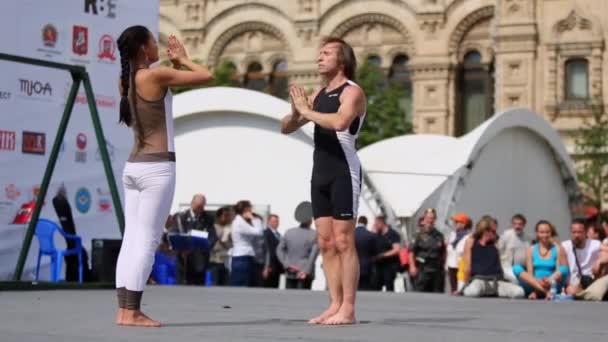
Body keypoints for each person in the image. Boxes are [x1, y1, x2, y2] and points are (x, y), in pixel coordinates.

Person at [114, 26, 212, 327]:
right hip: (157, 167)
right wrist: (183, 59)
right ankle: (132, 311)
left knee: (131, 238)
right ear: (144, 48)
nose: (158, 48)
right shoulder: (155, 76)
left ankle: (124, 310)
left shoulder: (125, 80)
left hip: (133, 166)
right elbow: (206, 75)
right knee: (146, 239)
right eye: (153, 44)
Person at [281, 37, 366, 325]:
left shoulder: (352, 92)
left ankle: (349, 309)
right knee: (326, 242)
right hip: (320, 172)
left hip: (344, 170)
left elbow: (340, 122)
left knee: (344, 241)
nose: (319, 58)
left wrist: (307, 112)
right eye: (319, 54)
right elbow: (286, 128)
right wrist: (297, 111)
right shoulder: (318, 96)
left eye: (326, 53)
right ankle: (334, 304)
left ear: (341, 60)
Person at [461, 217, 525, 299]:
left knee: (519, 292)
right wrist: (465, 284)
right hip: (479, 281)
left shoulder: (496, 243)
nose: (495, 234)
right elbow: (467, 268)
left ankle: (489, 292)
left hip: (497, 282)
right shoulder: (471, 241)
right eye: (493, 231)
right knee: (473, 291)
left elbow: (501, 264)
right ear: (485, 231)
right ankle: (482, 291)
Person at [513, 220, 569, 300]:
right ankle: (544, 292)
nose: (545, 235)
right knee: (516, 268)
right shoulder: (531, 249)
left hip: (551, 283)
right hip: (534, 284)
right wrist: (538, 284)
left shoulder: (557, 249)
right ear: (537, 233)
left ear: (551, 233)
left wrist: (548, 281)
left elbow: (558, 272)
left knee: (564, 268)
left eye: (547, 232)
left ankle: (539, 293)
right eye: (541, 232)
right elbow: (530, 274)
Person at [172, 194, 217, 285]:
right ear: (192, 203)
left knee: (198, 287)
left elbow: (213, 236)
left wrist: (206, 245)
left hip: (200, 259)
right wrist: (180, 248)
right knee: (182, 286)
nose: (199, 209)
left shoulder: (208, 218)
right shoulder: (181, 217)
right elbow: (174, 233)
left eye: (202, 206)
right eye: (198, 206)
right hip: (184, 259)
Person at [276, 202, 319, 290]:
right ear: (310, 220)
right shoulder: (314, 234)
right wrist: (306, 271)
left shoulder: (289, 232)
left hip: (290, 270)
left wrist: (287, 264)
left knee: (289, 299)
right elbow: (313, 255)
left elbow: (279, 250)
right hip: (305, 272)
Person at [409, 208, 446, 293]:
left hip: (436, 269)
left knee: (437, 293)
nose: (430, 220)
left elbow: (443, 252)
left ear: (435, 219)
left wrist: (443, 267)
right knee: (420, 293)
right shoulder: (418, 234)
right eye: (428, 218)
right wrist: (412, 266)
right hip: (422, 268)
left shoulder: (439, 235)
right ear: (424, 219)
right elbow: (411, 252)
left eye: (432, 218)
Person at [561, 219, 601, 295]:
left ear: (585, 232)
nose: (576, 235)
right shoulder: (564, 246)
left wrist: (600, 260)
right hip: (571, 284)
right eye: (574, 232)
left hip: (590, 282)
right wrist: (568, 285)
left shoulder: (595, 244)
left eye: (579, 232)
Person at [230, 200, 264, 287]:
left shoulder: (242, 222)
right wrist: (254, 219)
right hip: (242, 256)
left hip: (245, 255)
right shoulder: (239, 222)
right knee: (241, 283)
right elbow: (259, 232)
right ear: (246, 210)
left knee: (246, 282)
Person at [498, 214, 531, 284]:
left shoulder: (528, 238)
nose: (517, 226)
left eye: (520, 224)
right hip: (508, 268)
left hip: (523, 270)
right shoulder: (506, 235)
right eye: (515, 224)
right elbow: (499, 251)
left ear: (524, 225)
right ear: (512, 224)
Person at [372, 216, 401, 292]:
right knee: (376, 287)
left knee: (389, 287)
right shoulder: (377, 234)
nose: (375, 225)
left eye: (376, 223)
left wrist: (383, 255)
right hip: (378, 266)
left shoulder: (392, 234)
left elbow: (396, 249)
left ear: (382, 223)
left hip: (389, 266)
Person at [446, 212, 472, 294]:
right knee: (453, 291)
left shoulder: (469, 237)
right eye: (455, 222)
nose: (455, 224)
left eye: (457, 222)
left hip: (461, 267)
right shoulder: (452, 235)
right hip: (451, 267)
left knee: (461, 291)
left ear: (463, 224)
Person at [208, 206, 233, 286]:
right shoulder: (213, 228)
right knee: (215, 283)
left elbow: (231, 243)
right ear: (219, 216)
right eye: (225, 216)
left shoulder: (230, 228)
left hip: (226, 261)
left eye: (229, 216)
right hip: (214, 260)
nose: (227, 218)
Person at [354, 216, 377, 290]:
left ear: (358, 222)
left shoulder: (351, 234)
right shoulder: (371, 235)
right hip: (367, 265)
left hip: (352, 265)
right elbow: (375, 251)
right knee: (365, 288)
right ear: (366, 223)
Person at [263, 214, 284, 288]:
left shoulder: (279, 235)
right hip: (269, 267)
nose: (276, 223)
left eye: (277, 221)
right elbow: (267, 250)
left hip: (277, 267)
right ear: (269, 222)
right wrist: (267, 266)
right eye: (274, 221)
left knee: (275, 287)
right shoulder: (266, 233)